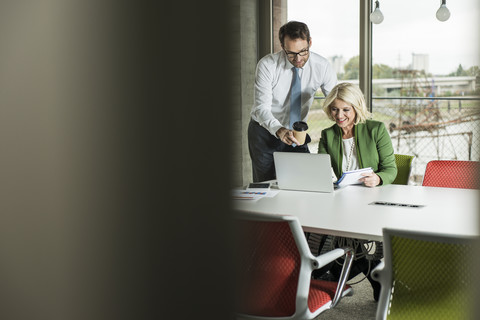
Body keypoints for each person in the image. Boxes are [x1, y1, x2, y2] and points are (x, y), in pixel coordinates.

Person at [314, 82, 397, 301]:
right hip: (342, 199)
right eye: (334, 109)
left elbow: (391, 169)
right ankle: (371, 276)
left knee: (346, 236)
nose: (339, 115)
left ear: (356, 107)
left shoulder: (376, 129)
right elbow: (321, 170)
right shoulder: (327, 134)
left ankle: (329, 272)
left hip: (373, 198)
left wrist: (378, 178)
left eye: (345, 109)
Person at [248, 21, 337, 182]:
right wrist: (279, 130)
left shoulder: (322, 66)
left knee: (305, 181)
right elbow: (262, 108)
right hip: (264, 131)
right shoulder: (267, 65)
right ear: (282, 46)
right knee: (266, 185)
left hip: (297, 132)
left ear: (310, 42)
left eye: (303, 51)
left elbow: (336, 100)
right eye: (291, 53)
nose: (298, 59)